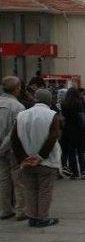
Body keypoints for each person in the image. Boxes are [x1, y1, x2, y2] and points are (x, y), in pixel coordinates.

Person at [10, 89, 61, 228]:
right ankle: (42, 217)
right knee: (45, 189)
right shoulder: (52, 115)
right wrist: (40, 156)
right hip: (46, 160)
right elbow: (53, 137)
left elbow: (14, 139)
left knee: (30, 189)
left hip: (26, 159)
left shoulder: (22, 115)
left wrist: (23, 157)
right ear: (49, 100)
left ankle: (32, 216)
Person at [0, 76, 26, 221]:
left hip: (1, 147)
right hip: (12, 148)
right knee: (18, 179)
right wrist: (4, 146)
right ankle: (21, 210)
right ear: (16, 89)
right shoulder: (18, 107)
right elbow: (15, 132)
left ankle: (5, 209)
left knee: (3, 179)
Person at [60, 87, 85, 179]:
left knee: (71, 152)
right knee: (80, 151)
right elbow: (82, 115)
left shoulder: (64, 104)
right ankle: (83, 171)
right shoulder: (79, 102)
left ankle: (74, 172)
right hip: (79, 129)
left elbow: (63, 117)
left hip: (68, 129)